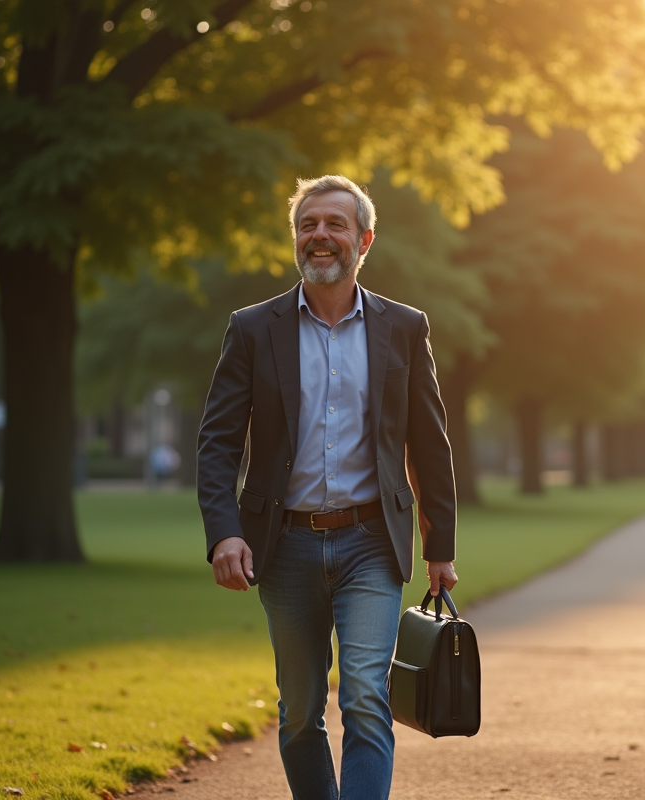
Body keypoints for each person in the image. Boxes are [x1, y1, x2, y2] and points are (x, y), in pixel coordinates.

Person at [196, 175, 457, 800]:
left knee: (367, 695)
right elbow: (218, 442)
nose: (321, 235)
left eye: (336, 224)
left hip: (373, 540)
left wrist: (439, 545)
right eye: (308, 224)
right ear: (296, 239)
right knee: (300, 710)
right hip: (284, 547)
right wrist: (224, 533)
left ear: (363, 240)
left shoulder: (405, 327)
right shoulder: (253, 329)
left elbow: (429, 442)